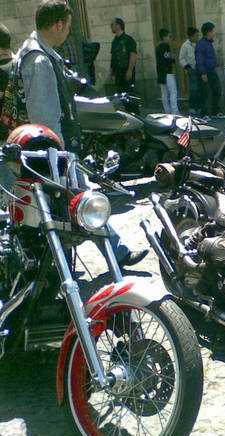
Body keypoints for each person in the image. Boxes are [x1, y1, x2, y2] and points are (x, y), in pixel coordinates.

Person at [14, 1, 147, 266]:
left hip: (44, 153)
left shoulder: (35, 52)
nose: (68, 32)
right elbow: (45, 119)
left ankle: (116, 252)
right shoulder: (39, 60)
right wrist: (60, 157)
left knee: (80, 202)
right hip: (51, 154)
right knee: (84, 203)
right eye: (68, 26)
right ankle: (111, 256)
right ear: (58, 25)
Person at [196, 22, 225, 120]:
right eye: (213, 31)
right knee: (204, 93)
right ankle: (204, 113)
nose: (214, 33)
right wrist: (202, 73)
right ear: (208, 32)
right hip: (205, 71)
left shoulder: (209, 43)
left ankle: (215, 111)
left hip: (212, 70)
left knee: (217, 89)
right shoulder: (201, 44)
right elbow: (199, 59)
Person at [110, 17, 137, 94]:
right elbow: (113, 57)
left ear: (118, 25)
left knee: (129, 93)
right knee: (120, 94)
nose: (111, 27)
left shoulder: (128, 40)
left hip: (126, 70)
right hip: (117, 73)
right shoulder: (114, 41)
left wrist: (130, 70)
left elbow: (133, 55)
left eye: (112, 25)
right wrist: (111, 71)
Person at [155, 28, 179, 115]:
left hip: (160, 72)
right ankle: (175, 111)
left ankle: (167, 111)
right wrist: (173, 59)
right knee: (173, 91)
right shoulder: (165, 46)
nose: (170, 38)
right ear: (164, 37)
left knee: (164, 93)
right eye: (169, 36)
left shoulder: (158, 47)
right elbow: (167, 58)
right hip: (167, 72)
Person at [179, 26, 200, 115]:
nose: (197, 37)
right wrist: (187, 66)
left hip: (199, 69)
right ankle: (191, 106)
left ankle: (198, 106)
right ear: (191, 36)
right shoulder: (185, 46)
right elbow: (181, 58)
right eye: (196, 36)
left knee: (199, 88)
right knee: (193, 88)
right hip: (191, 70)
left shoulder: (198, 44)